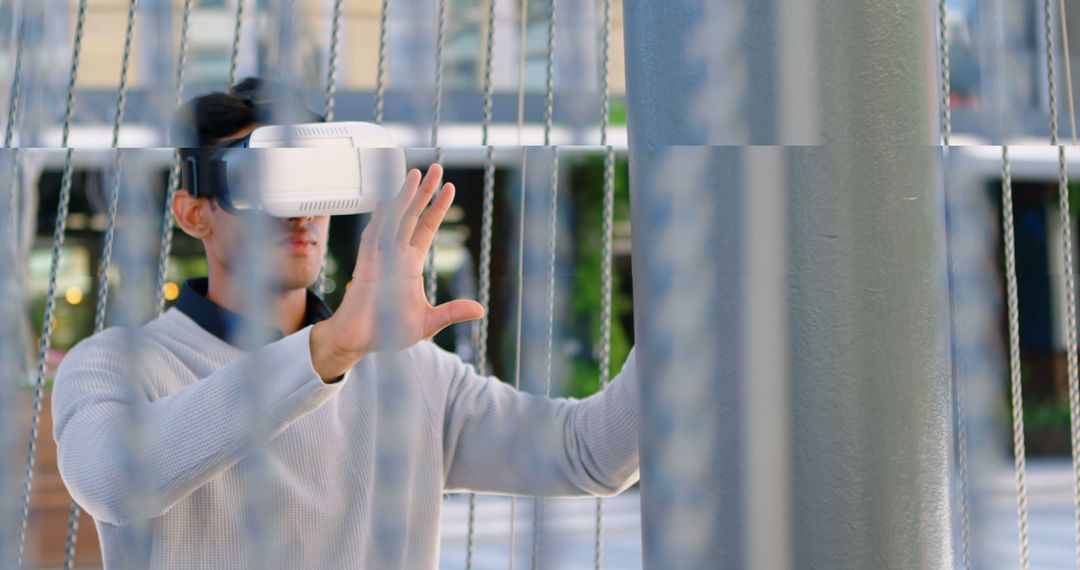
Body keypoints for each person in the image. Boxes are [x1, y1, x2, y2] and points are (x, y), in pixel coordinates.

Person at [51, 79, 640, 569]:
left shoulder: (409, 371)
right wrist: (326, 351)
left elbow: (588, 453)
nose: (299, 209)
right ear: (194, 213)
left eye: (312, 180)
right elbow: (113, 483)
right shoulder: (117, 363)